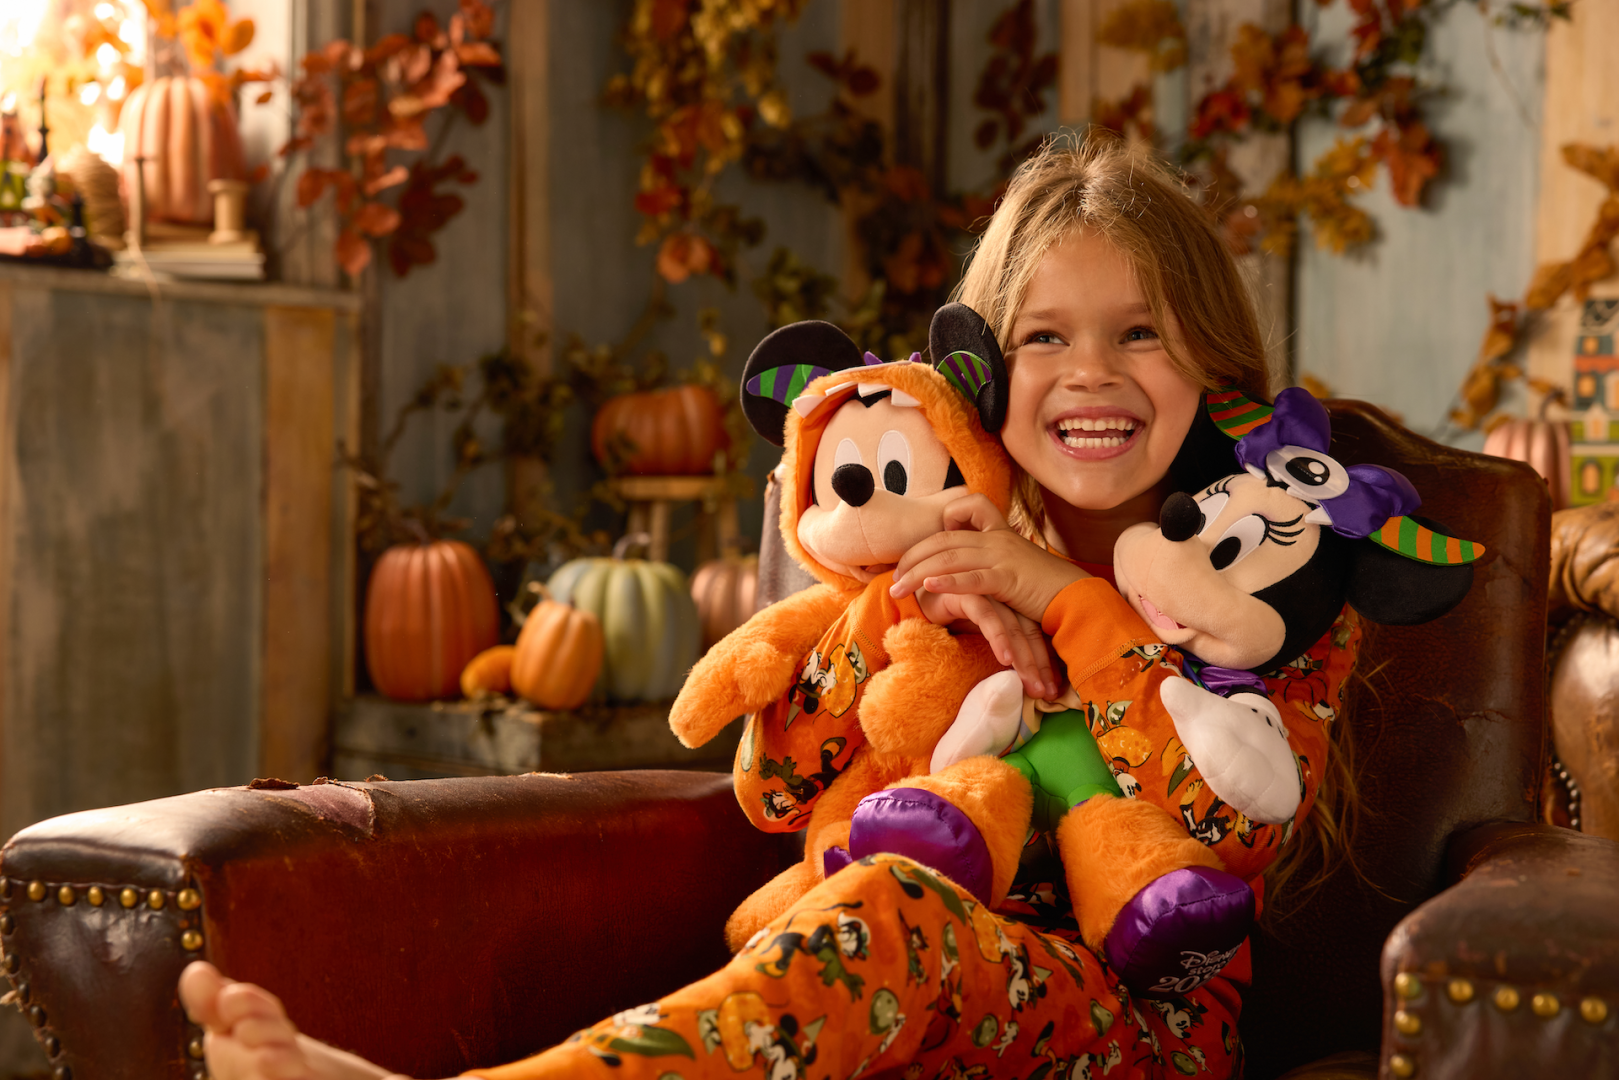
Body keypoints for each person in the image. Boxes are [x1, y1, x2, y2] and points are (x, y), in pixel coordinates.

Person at [177, 130, 1361, 1080]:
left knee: (895, 914)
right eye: (1043, 336)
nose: (1090, 371)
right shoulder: (939, 539)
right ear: (982, 379)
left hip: (1140, 1034)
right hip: (910, 994)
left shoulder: (1279, 574)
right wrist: (900, 616)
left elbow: (1230, 830)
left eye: (1138, 333)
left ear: (1208, 360)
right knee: (865, 917)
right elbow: (781, 785)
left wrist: (1064, 602)